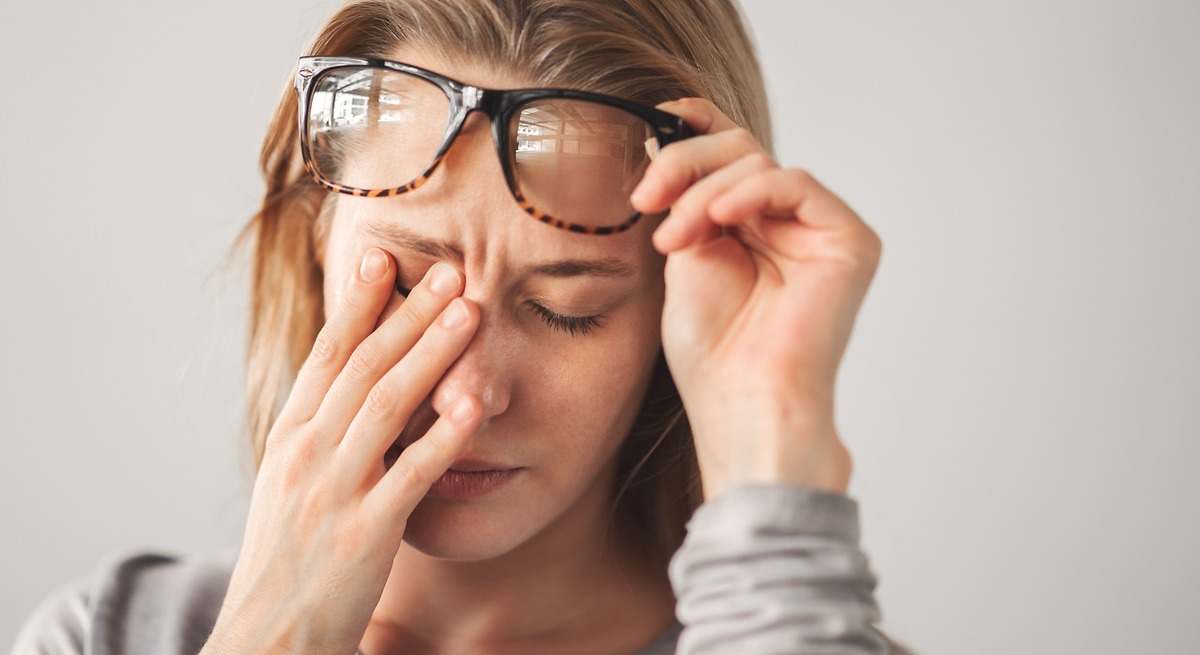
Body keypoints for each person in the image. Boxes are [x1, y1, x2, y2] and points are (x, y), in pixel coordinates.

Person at [12, 1, 911, 653]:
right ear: (308, 248)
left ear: (677, 308)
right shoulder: (110, 635)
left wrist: (772, 445)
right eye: (405, 287)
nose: (469, 397)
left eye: (569, 310)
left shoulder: (792, 629)